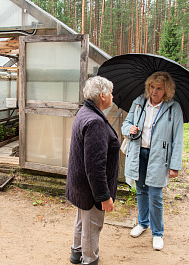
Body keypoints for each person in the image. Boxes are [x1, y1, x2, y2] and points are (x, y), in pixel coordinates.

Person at [121, 71, 184, 251]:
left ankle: (157, 233)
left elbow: (177, 139)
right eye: (152, 87)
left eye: (159, 88)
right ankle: (142, 223)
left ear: (167, 91)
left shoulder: (174, 108)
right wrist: (129, 128)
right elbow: (126, 124)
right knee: (141, 190)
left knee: (155, 195)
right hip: (139, 153)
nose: (154, 92)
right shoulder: (139, 102)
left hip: (159, 157)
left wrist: (175, 166)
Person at [66, 76, 120, 265]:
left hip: (80, 182)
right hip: (90, 187)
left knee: (82, 219)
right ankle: (89, 260)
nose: (113, 96)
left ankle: (77, 252)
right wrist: (104, 196)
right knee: (92, 225)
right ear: (103, 95)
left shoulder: (85, 112)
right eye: (111, 93)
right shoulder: (95, 121)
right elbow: (96, 166)